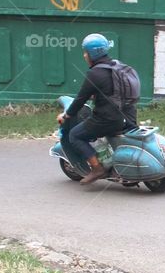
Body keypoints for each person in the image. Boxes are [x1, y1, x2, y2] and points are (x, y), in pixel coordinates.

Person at [57, 33, 139, 185]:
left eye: (85, 52)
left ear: (92, 54)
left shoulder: (95, 73)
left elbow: (80, 100)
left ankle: (97, 168)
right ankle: (114, 166)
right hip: (128, 118)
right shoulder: (117, 66)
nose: (84, 55)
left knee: (75, 135)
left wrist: (67, 115)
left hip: (108, 120)